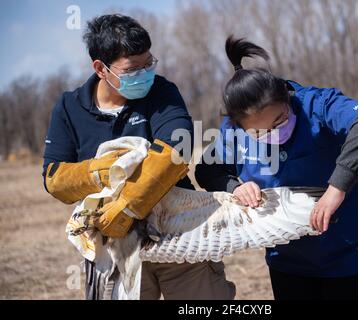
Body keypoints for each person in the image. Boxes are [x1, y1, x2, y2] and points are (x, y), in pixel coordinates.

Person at [42, 14, 235, 300]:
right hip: (112, 247)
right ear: (100, 68)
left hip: (178, 231)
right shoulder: (69, 108)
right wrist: (99, 172)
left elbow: (176, 150)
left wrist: (127, 206)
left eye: (149, 63)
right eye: (133, 69)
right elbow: (55, 178)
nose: (145, 74)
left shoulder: (162, 92)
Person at [195, 36, 358, 300]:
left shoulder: (317, 106)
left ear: (286, 97)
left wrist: (337, 187)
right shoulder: (232, 133)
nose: (275, 132)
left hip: (353, 255)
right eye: (261, 132)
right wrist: (235, 187)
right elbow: (207, 170)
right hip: (288, 262)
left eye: (281, 119)